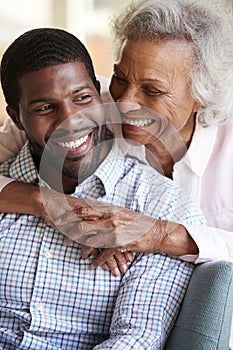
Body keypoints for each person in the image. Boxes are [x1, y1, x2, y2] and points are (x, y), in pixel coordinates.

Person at [0, 28, 206, 349]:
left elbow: (135, 340)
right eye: (44, 108)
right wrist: (49, 203)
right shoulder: (8, 177)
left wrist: (159, 235)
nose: (71, 121)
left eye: (82, 99)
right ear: (16, 117)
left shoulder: (160, 206)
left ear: (98, 94)